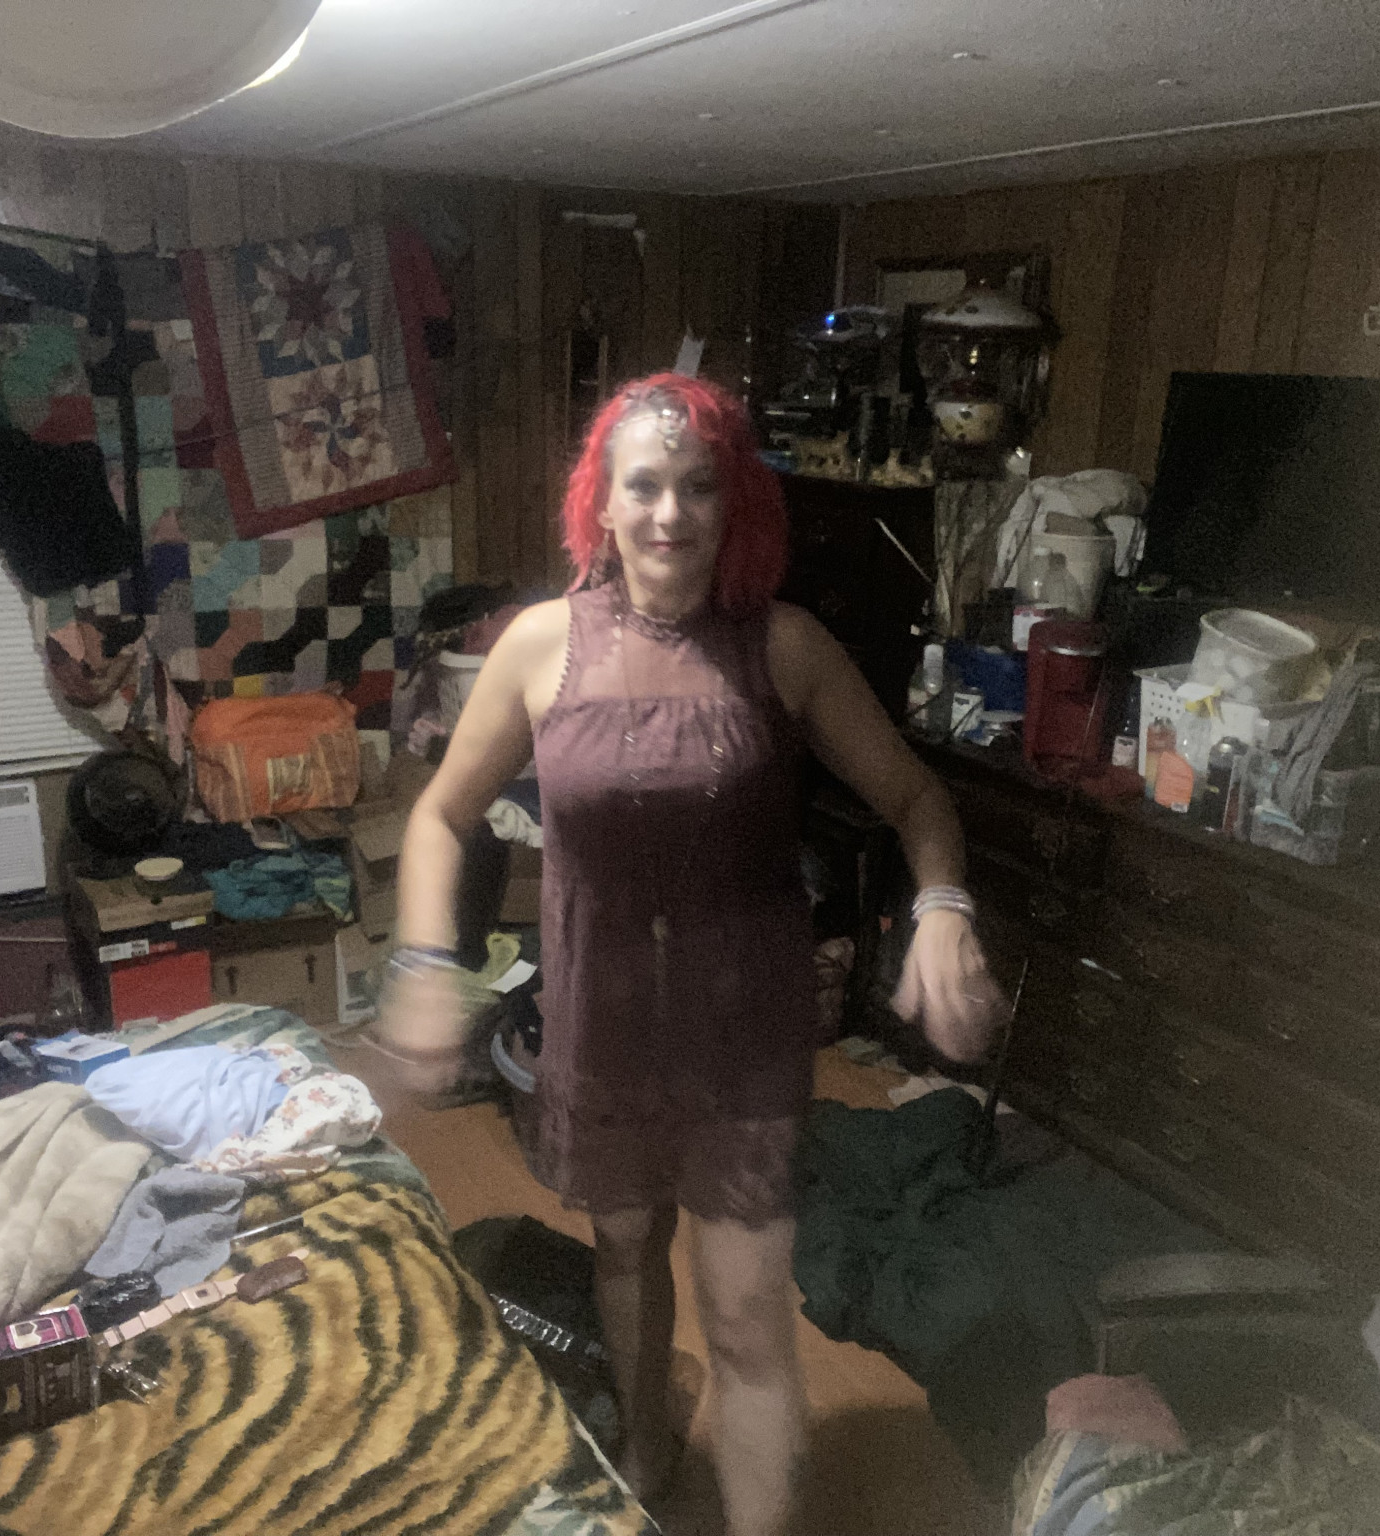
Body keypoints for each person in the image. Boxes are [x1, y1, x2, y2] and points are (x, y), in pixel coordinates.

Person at [378, 373, 1003, 1536]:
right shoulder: (537, 646)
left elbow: (918, 799)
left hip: (742, 1032)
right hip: (601, 1018)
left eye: (698, 487)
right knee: (623, 1249)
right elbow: (438, 816)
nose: (669, 513)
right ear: (600, 503)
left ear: (734, 504)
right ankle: (644, 1433)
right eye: (643, 486)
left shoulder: (786, 647)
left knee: (745, 1315)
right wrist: (420, 964)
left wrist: (942, 908)